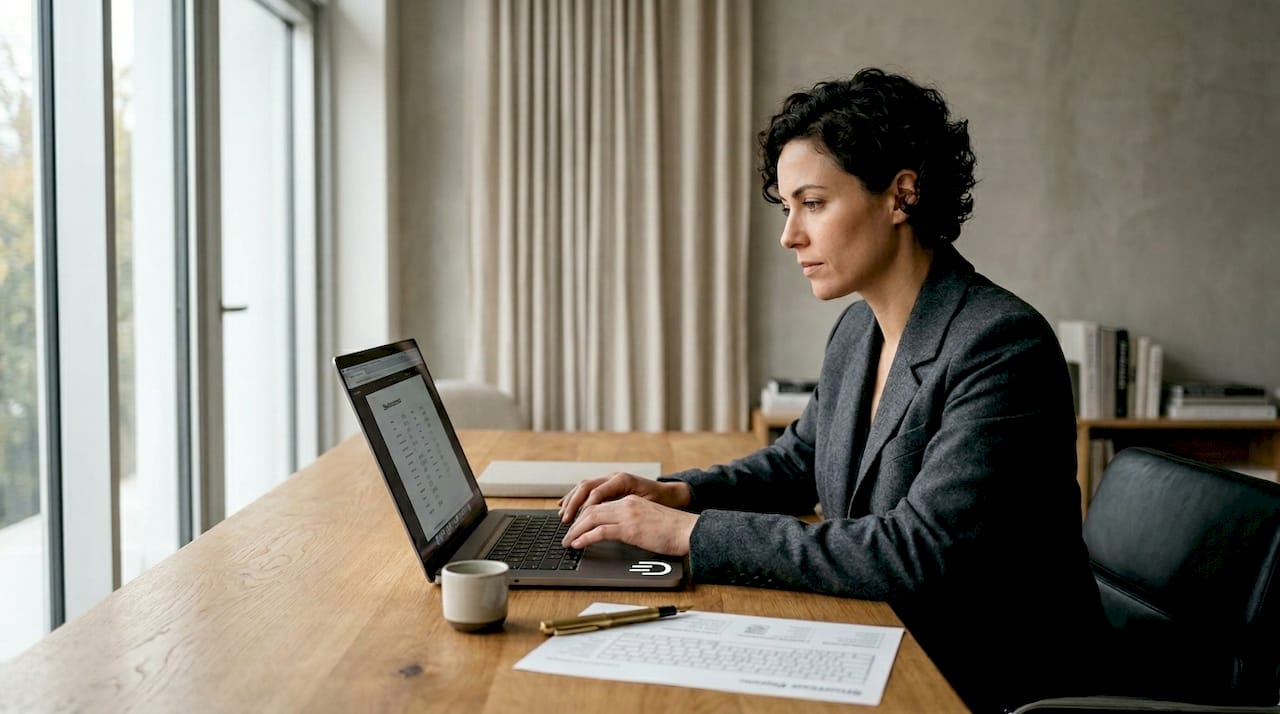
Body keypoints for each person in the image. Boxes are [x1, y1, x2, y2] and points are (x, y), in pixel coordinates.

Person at [558, 68, 1104, 713]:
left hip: (981, 679)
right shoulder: (857, 329)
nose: (790, 234)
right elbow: (799, 462)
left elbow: (916, 551)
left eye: (812, 204)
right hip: (884, 639)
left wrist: (690, 535)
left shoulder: (1001, 345)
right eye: (787, 208)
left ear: (902, 196)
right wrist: (678, 493)